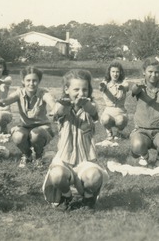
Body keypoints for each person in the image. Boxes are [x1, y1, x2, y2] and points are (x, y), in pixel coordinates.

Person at [42, 69, 109, 210]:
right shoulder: (62, 105)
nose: (81, 93)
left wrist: (83, 104)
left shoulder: (90, 106)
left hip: (85, 160)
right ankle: (67, 196)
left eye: (85, 89)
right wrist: (68, 105)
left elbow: (93, 112)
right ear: (67, 89)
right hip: (64, 160)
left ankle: (88, 198)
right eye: (76, 89)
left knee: (94, 176)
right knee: (57, 175)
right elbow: (59, 111)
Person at [0, 66, 57, 168]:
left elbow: (51, 101)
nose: (31, 83)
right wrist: (2, 102)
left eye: (34, 80)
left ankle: (39, 156)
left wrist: (55, 109)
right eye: (28, 80)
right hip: (25, 127)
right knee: (18, 136)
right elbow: (9, 99)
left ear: (39, 81)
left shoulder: (43, 93)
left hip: (42, 128)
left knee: (36, 135)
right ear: (23, 81)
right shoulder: (19, 92)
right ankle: (27, 155)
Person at [128, 58, 159, 167]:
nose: (153, 75)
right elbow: (134, 90)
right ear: (144, 72)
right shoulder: (140, 86)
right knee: (137, 145)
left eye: (156, 72)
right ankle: (143, 155)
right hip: (142, 129)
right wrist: (137, 87)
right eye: (150, 72)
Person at [99, 62, 130, 141]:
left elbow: (126, 86)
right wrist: (102, 85)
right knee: (105, 119)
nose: (115, 74)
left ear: (120, 72)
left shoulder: (123, 82)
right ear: (109, 72)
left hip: (121, 111)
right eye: (113, 72)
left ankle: (118, 133)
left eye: (117, 72)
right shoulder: (106, 83)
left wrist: (122, 87)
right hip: (108, 111)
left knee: (121, 120)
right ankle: (109, 133)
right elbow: (101, 87)